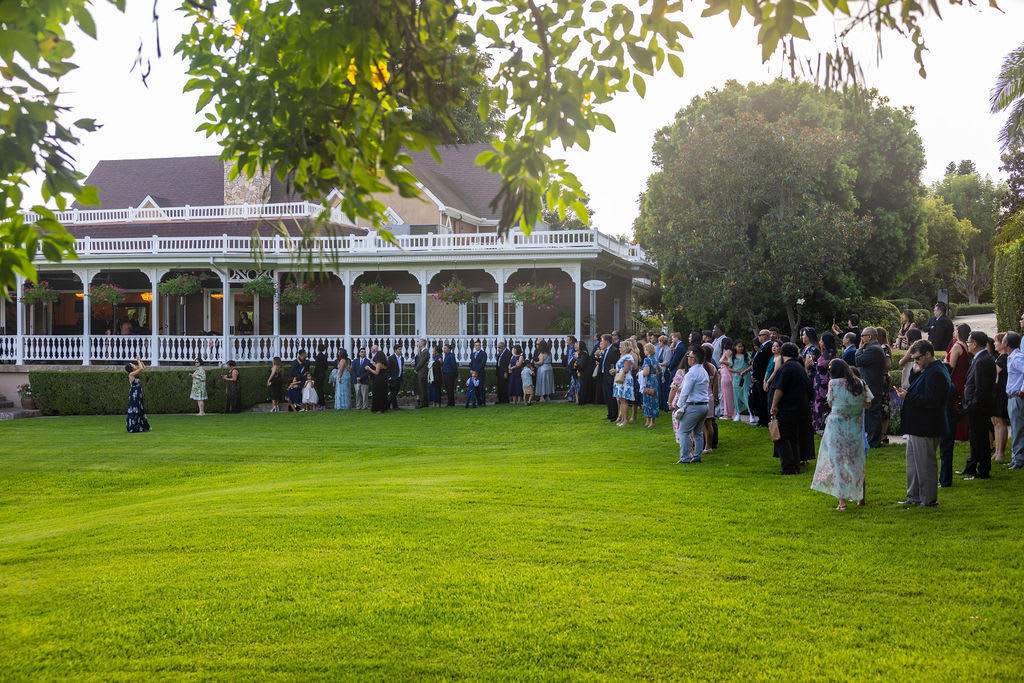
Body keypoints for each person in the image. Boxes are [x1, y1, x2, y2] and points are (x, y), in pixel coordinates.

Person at [894, 340, 952, 507]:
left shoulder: (937, 372)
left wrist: (907, 397)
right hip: (917, 426)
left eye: (917, 358)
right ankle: (914, 496)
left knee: (925, 466)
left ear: (928, 354)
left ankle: (928, 500)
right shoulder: (928, 369)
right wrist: (914, 371)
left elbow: (933, 400)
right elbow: (916, 387)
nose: (916, 361)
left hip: (927, 426)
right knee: (913, 465)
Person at [811, 359, 872, 510]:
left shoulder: (834, 384)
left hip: (837, 427)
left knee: (838, 463)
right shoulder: (860, 384)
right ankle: (861, 498)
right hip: (855, 427)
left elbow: (830, 403)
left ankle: (842, 503)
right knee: (856, 461)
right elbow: (868, 403)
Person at [770, 342, 814, 474]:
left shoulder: (786, 368)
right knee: (794, 438)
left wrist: (774, 405)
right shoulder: (799, 367)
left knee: (782, 438)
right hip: (801, 407)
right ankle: (795, 464)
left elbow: (779, 388)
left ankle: (788, 467)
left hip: (788, 408)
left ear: (783, 354)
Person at [960, 331, 996, 480]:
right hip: (977, 406)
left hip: (978, 407)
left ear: (975, 344)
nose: (967, 345)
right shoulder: (981, 358)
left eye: (969, 342)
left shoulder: (982, 360)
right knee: (975, 439)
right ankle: (971, 467)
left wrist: (971, 404)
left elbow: (980, 388)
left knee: (979, 439)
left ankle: (982, 471)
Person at [674, 345, 709, 464]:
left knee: (683, 431)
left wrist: (679, 405)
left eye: (689, 356)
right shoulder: (703, 371)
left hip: (694, 405)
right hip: (704, 405)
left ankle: (684, 458)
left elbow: (685, 392)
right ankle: (697, 456)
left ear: (693, 359)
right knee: (698, 433)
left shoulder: (691, 373)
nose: (687, 358)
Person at [855, 327, 886, 449]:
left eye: (863, 335)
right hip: (873, 385)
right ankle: (872, 440)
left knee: (872, 413)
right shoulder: (874, 348)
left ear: (870, 337)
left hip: (872, 386)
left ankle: (873, 441)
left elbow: (858, 361)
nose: (861, 338)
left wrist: (859, 349)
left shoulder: (873, 349)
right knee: (871, 413)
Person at [1005, 331, 1024, 470]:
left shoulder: (1017, 358)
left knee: (1017, 429)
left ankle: (1019, 459)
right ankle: (1015, 457)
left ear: (1006, 343)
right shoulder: (1012, 357)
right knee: (1015, 428)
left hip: (1017, 397)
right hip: (1012, 397)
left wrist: (1022, 389)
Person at [812, 332, 837, 431]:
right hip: (820, 382)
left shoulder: (829, 353)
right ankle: (817, 425)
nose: (820, 342)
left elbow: (822, 366)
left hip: (823, 383)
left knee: (822, 404)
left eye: (821, 340)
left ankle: (820, 426)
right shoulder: (826, 352)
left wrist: (812, 363)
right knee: (818, 403)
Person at [991, 334, 1010, 462]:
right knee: (995, 422)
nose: (994, 344)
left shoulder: (1003, 358)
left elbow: (992, 373)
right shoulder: (1000, 357)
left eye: (996, 342)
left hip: (1001, 393)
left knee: (1000, 422)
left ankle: (1001, 452)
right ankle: (997, 451)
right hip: (996, 392)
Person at [750, 329, 773, 427]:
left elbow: (763, 363)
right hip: (757, 377)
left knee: (763, 399)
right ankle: (761, 419)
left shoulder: (768, 346)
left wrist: (756, 375)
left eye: (761, 335)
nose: (759, 337)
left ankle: (764, 420)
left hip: (762, 377)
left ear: (767, 336)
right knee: (759, 399)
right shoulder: (762, 346)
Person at [612, 340, 636, 426]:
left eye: (620, 347)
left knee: (624, 401)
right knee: (621, 400)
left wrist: (616, 370)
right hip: (621, 380)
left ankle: (625, 420)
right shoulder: (623, 356)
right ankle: (622, 419)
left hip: (625, 380)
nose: (619, 349)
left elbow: (626, 369)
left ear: (625, 348)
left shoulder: (628, 358)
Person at [125, 355, 151, 433]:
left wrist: (140, 360)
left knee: (140, 409)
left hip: (138, 394)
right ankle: (133, 426)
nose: (134, 364)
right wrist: (138, 360)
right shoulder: (131, 374)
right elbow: (141, 368)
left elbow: (143, 367)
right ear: (131, 367)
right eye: (132, 364)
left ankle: (141, 425)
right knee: (134, 410)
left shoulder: (135, 373)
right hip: (134, 395)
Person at [599, 333, 620, 422]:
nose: (601, 342)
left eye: (602, 340)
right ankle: (609, 413)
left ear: (607, 341)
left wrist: (614, 370)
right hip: (604, 376)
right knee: (607, 396)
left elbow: (617, 363)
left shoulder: (613, 350)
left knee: (611, 396)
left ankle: (613, 416)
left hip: (610, 376)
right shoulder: (606, 350)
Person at [731, 339, 751, 422]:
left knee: (746, 395)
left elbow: (751, 365)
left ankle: (751, 413)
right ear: (735, 347)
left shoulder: (747, 356)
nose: (740, 348)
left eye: (742, 346)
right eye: (739, 346)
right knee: (736, 396)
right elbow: (729, 368)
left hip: (745, 378)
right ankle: (738, 413)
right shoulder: (732, 356)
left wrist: (745, 371)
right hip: (736, 378)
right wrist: (738, 371)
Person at [641, 342, 660, 427]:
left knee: (647, 400)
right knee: (654, 400)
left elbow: (646, 372)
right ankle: (652, 421)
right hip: (654, 380)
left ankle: (648, 421)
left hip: (648, 381)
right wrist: (654, 375)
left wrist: (640, 373)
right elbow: (660, 370)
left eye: (645, 349)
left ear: (647, 350)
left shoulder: (647, 359)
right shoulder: (655, 359)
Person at [718, 338, 734, 421]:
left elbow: (730, 363)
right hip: (724, 373)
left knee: (727, 394)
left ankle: (728, 414)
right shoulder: (727, 351)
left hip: (726, 374)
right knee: (726, 394)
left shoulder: (728, 352)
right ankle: (727, 413)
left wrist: (721, 361)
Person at [469, 341, 487, 406]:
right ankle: (479, 402)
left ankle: (483, 402)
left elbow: (483, 363)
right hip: (474, 374)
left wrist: (476, 371)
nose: (477, 346)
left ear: (480, 346)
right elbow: (471, 363)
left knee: (481, 388)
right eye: (476, 345)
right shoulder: (473, 354)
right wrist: (471, 370)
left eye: (478, 345)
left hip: (480, 373)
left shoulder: (483, 354)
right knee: (475, 389)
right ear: (474, 346)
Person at [413, 339, 430, 409]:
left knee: (422, 387)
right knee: (420, 387)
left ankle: (423, 403)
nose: (418, 344)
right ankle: (423, 402)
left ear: (422, 343)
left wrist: (416, 369)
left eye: (419, 342)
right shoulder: (421, 351)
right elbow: (419, 360)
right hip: (420, 371)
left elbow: (422, 362)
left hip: (422, 372)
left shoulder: (426, 352)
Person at [313, 344, 329, 410]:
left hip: (318, 375)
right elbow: (326, 366)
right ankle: (322, 404)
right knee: (321, 390)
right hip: (323, 374)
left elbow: (316, 367)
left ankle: (321, 404)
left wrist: (314, 374)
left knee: (319, 390)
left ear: (318, 349)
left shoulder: (318, 357)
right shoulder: (324, 357)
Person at [387, 345, 403, 410]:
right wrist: (389, 377)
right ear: (395, 350)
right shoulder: (391, 358)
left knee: (395, 393)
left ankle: (387, 405)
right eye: (399, 349)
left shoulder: (401, 358)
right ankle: (395, 406)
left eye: (401, 349)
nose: (400, 350)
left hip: (399, 377)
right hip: (393, 378)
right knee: (393, 392)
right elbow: (388, 369)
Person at [563, 336, 577, 402]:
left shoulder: (575, 347)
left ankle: (571, 395)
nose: (566, 341)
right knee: (570, 382)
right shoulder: (568, 347)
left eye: (567, 340)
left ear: (571, 341)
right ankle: (571, 396)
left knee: (573, 382)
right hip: (568, 367)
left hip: (573, 367)